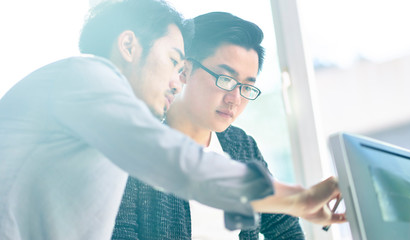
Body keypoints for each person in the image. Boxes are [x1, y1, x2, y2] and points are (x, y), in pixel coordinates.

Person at [0, 0, 344, 239]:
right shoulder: (86, 78)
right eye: (173, 61)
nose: (177, 80)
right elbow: (178, 165)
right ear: (129, 45)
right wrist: (298, 198)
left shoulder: (100, 125)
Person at [112, 12, 343, 240]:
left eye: (246, 87)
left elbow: (285, 230)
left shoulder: (241, 146)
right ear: (184, 70)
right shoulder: (137, 145)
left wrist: (305, 200)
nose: (235, 99)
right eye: (225, 79)